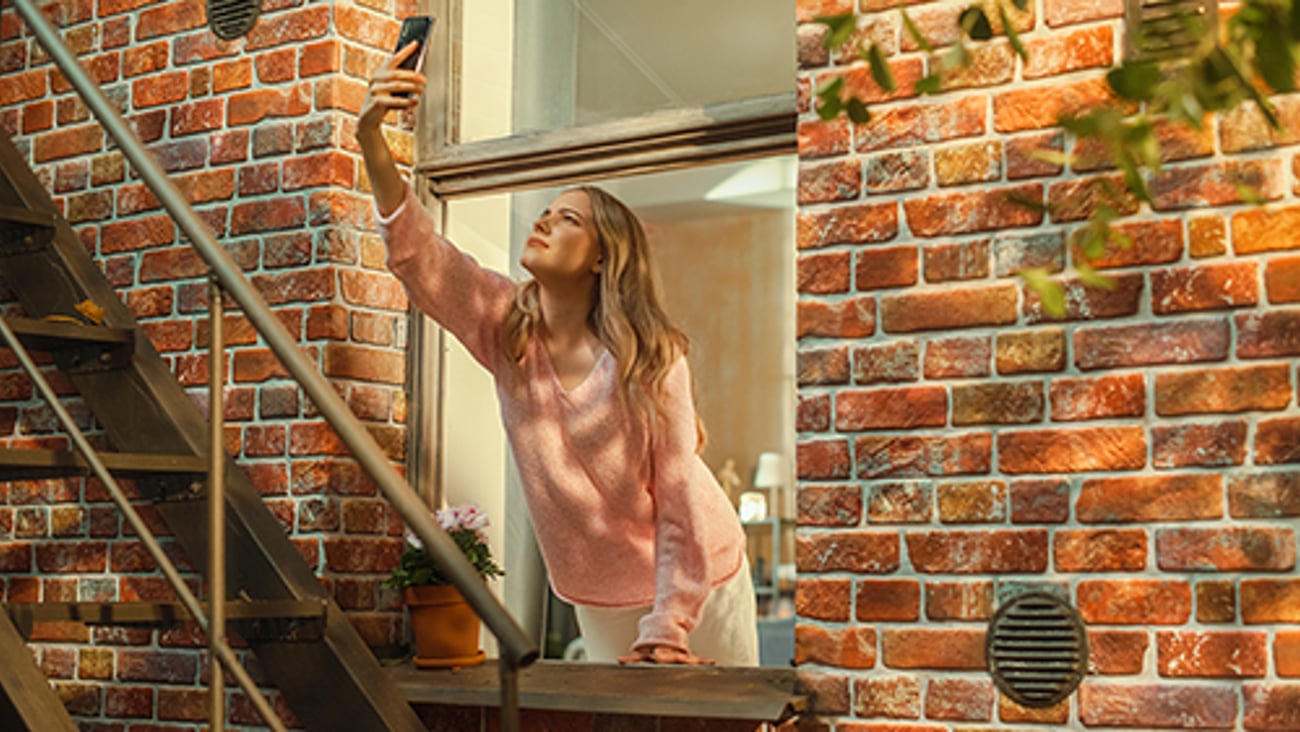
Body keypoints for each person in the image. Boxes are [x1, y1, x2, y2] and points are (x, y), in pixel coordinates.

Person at [357, 40, 758, 666]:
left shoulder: (652, 358)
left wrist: (669, 627)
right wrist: (371, 138)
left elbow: (678, 500)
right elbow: (418, 255)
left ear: (603, 257)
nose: (543, 222)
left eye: (567, 219)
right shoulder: (505, 328)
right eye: (544, 212)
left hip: (702, 582)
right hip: (599, 594)